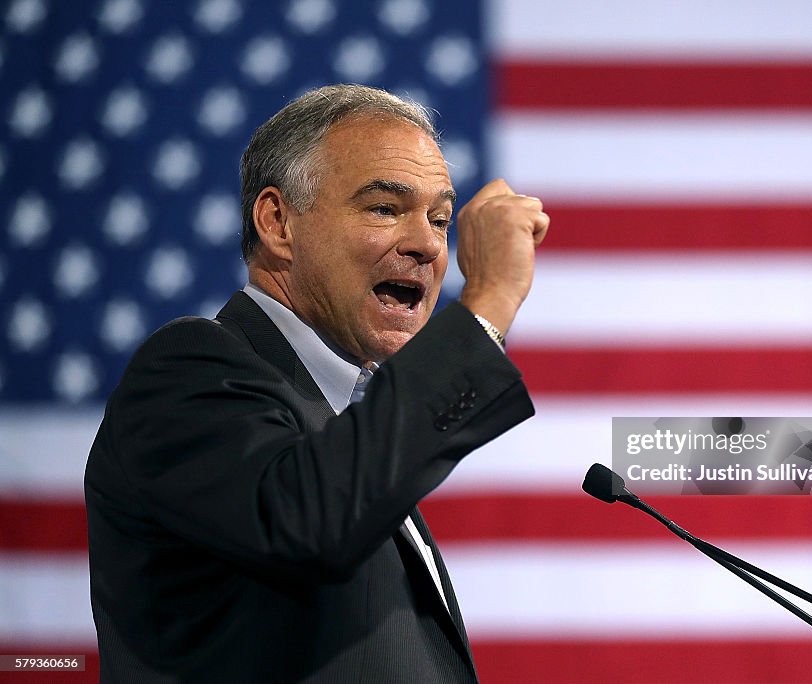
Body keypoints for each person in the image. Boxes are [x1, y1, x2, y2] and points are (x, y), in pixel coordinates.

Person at [85, 84, 549, 683]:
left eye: (439, 218)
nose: (430, 244)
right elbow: (307, 522)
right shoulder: (189, 370)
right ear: (278, 221)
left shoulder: (345, 424)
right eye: (385, 208)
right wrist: (484, 308)